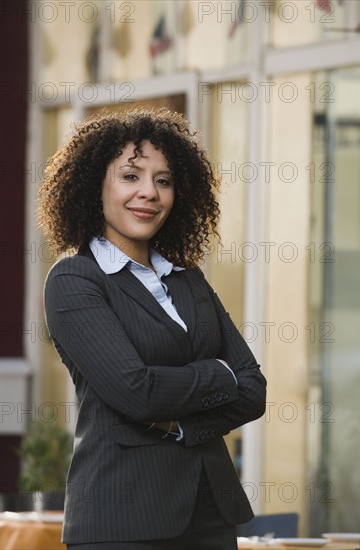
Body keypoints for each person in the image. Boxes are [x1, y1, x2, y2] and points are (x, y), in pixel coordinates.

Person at [38, 107, 267, 550]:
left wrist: (179, 423)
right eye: (130, 176)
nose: (149, 193)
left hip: (211, 513)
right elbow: (135, 391)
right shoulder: (75, 279)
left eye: (163, 181)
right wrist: (220, 375)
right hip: (123, 520)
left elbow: (254, 390)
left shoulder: (187, 277)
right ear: (94, 186)